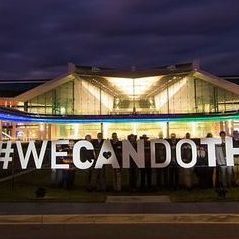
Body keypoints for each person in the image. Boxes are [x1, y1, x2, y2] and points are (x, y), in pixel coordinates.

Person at [215, 131, 233, 197]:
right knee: (223, 174)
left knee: (230, 173)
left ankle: (229, 184)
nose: (223, 136)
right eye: (221, 135)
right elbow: (217, 152)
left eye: (223, 135)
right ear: (220, 136)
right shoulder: (217, 143)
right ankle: (225, 186)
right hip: (222, 160)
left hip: (229, 159)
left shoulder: (228, 141)